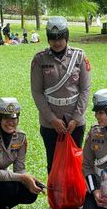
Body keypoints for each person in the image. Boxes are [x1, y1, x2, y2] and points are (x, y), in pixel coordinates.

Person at [30, 16, 91, 173]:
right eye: (52, 39)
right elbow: (37, 92)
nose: (56, 43)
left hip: (74, 120)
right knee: (54, 164)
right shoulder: (40, 59)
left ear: (66, 36)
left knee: (75, 163)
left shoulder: (79, 56)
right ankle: (56, 197)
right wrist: (52, 120)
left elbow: (85, 89)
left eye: (60, 38)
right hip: (50, 122)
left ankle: (75, 197)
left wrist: (76, 119)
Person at [0, 98, 42, 209]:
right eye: (6, 118)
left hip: (2, 180)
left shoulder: (21, 137)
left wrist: (29, 180)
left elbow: (20, 169)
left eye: (14, 118)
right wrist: (23, 178)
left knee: (31, 191)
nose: (11, 122)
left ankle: (0, 207)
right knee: (8, 187)